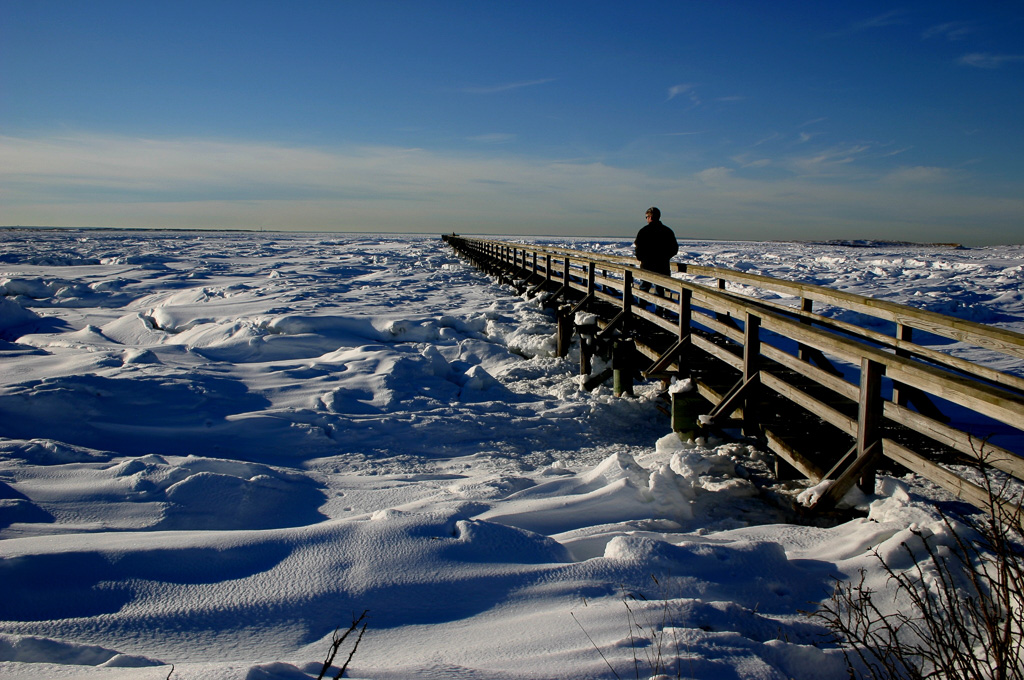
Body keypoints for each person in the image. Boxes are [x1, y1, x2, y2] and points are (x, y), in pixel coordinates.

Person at [633, 207, 678, 293]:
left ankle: (641, 306)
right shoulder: (667, 231)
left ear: (650, 217)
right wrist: (664, 257)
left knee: (644, 290)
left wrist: (642, 258)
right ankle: (659, 307)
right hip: (662, 267)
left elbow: (638, 248)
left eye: (646, 217)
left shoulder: (644, 231)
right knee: (660, 291)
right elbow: (674, 249)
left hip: (647, 266)